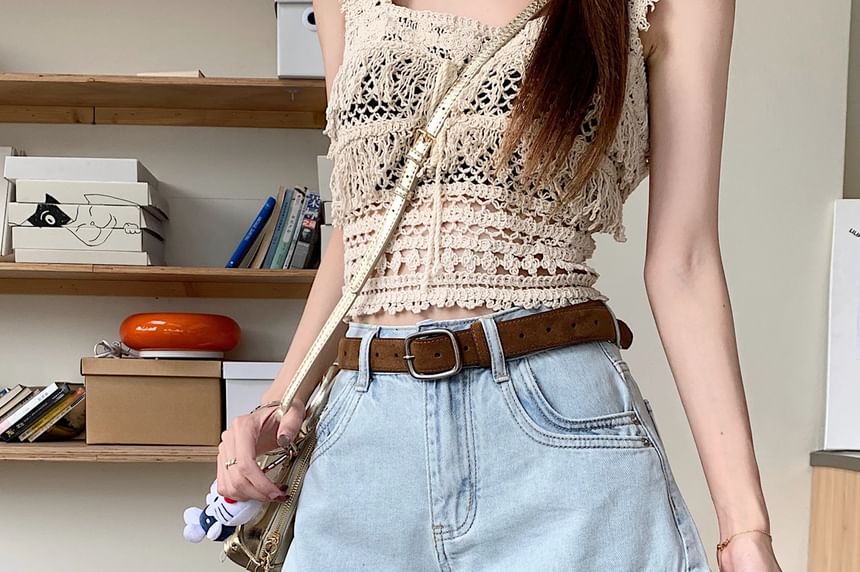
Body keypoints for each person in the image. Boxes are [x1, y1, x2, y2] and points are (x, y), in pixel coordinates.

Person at [217, 0, 782, 570]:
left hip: (560, 437)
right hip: (366, 444)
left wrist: (745, 529)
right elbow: (363, 229)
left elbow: (685, 261)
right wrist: (279, 404)